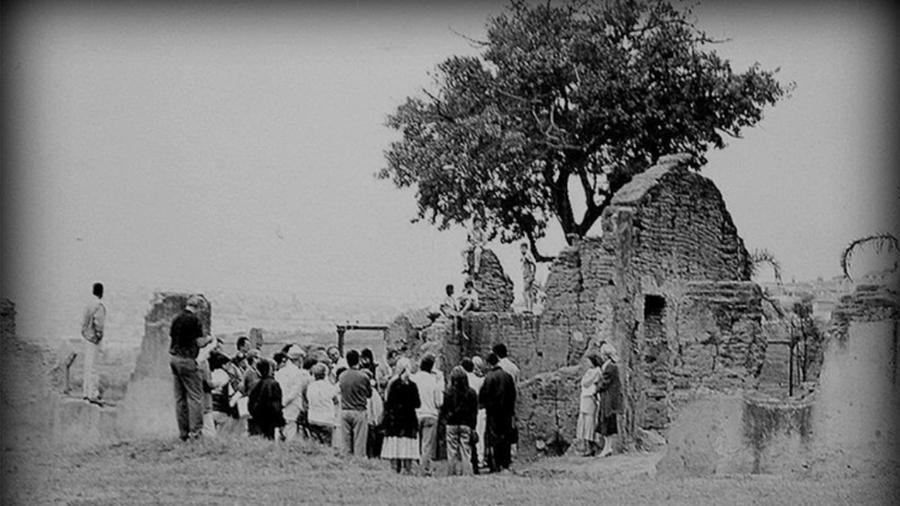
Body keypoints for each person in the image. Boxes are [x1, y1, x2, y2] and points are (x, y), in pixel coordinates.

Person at [169, 294, 213, 441]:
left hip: (174, 358)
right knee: (195, 397)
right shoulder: (194, 320)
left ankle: (183, 432)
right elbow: (199, 342)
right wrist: (209, 339)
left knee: (180, 398)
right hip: (187, 360)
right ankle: (196, 432)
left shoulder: (176, 319)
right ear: (198, 307)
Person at [380, 357, 420, 474]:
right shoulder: (412, 385)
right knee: (407, 445)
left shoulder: (393, 384)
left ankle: (395, 468)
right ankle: (407, 469)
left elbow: (388, 402)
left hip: (395, 420)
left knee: (395, 444)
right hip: (408, 420)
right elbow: (417, 403)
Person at [480, 353, 516, 472]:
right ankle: (505, 463)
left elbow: (483, 396)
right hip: (506, 413)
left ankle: (495, 464)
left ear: (489, 364)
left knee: (494, 439)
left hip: (493, 413)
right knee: (505, 437)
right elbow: (513, 395)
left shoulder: (489, 377)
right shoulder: (507, 376)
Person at [410, 354, 443, 476]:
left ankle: (413, 467)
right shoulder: (434, 382)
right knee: (427, 445)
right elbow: (439, 402)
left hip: (416, 413)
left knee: (414, 443)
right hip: (430, 413)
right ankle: (424, 469)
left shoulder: (414, 379)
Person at [442, 366, 478, 476]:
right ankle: (466, 472)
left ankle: (451, 472)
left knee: (451, 451)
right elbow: (474, 411)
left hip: (452, 423)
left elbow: (445, 409)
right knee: (466, 451)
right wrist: (473, 426)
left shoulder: (448, 393)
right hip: (466, 424)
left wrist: (446, 420)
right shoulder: (471, 392)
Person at [338, 349, 372, 457]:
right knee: (359, 442)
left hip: (344, 409)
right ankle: (359, 462)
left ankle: (346, 461)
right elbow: (369, 394)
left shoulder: (342, 376)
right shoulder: (363, 376)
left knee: (345, 441)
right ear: (358, 360)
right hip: (359, 410)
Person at [80, 282, 107, 405]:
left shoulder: (88, 305)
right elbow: (99, 323)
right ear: (101, 292)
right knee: (94, 367)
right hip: (94, 339)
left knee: (87, 366)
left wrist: (86, 334)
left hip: (86, 338)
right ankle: (93, 394)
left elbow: (83, 323)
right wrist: (98, 336)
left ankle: (86, 393)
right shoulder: (99, 305)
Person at [595, 342, 622, 458]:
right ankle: (607, 447)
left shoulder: (610, 367)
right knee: (607, 423)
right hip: (609, 398)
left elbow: (604, 382)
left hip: (609, 399)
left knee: (606, 422)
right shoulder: (611, 366)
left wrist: (596, 389)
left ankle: (607, 448)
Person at [275, 345, 307, 442]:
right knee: (291, 436)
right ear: (299, 359)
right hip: (292, 408)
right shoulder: (298, 373)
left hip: (279, 407)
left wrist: (280, 404)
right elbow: (294, 392)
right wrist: (285, 403)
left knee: (279, 434)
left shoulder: (279, 372)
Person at [248, 359, 284, 440]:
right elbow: (276, 404)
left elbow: (250, 403)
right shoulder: (273, 384)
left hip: (258, 418)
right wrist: (280, 421)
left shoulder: (256, 384)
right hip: (271, 418)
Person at [576, 352, 603, 456]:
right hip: (585, 397)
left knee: (589, 421)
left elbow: (585, 383)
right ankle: (587, 445)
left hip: (590, 397)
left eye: (588, 361)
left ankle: (591, 446)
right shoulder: (590, 371)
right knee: (584, 420)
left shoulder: (596, 371)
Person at [306, 363, 339, 446]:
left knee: (315, 443)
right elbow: (335, 400)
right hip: (326, 419)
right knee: (326, 444)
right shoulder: (329, 387)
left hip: (313, 417)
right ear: (325, 374)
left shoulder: (310, 386)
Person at [461, 357, 485, 473]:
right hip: (477, 410)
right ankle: (479, 459)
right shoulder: (479, 380)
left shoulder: (463, 380)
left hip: (465, 411)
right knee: (478, 435)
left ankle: (466, 460)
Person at [520, 243, 537, 313]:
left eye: (523, 248)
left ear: (526, 248)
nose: (521, 250)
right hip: (525, 276)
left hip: (528, 276)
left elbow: (533, 265)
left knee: (524, 292)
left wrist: (532, 275)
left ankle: (527, 308)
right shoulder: (524, 257)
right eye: (521, 248)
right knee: (529, 293)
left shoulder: (527, 256)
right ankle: (530, 309)